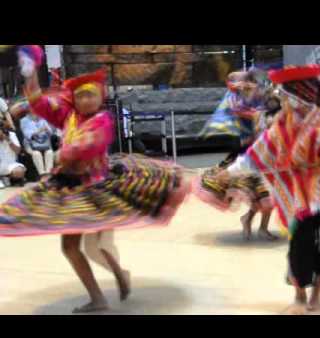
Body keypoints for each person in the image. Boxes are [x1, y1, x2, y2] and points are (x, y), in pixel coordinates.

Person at [0, 45, 189, 313]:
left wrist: (64, 153)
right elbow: (38, 102)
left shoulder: (102, 120)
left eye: (91, 95)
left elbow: (88, 146)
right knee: (72, 247)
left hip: (97, 190)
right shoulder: (70, 116)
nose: (86, 100)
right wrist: (30, 72)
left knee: (97, 246)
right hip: (69, 190)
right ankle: (104, 292)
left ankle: (117, 278)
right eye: (80, 96)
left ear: (100, 98)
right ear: (74, 100)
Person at [219, 65, 320, 314]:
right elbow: (258, 154)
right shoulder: (281, 127)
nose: (283, 102)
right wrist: (230, 171)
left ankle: (317, 294)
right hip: (299, 197)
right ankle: (299, 295)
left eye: (287, 97)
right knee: (299, 247)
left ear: (301, 97)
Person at [195, 70, 278, 241]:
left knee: (266, 197)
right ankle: (252, 222)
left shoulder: (269, 110)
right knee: (262, 196)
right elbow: (251, 128)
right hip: (252, 156)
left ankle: (255, 223)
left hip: (269, 158)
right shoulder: (243, 106)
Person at [20, 112, 55, 178]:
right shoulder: (24, 120)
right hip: (30, 145)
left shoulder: (43, 119)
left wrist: (48, 130)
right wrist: (39, 131)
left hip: (44, 144)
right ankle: (42, 175)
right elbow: (27, 135)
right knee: (36, 154)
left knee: (49, 152)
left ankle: (49, 174)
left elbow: (51, 134)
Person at [0, 123, 26, 188]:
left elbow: (18, 151)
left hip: (10, 164)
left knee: (20, 172)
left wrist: (9, 141)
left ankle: (5, 177)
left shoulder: (11, 135)